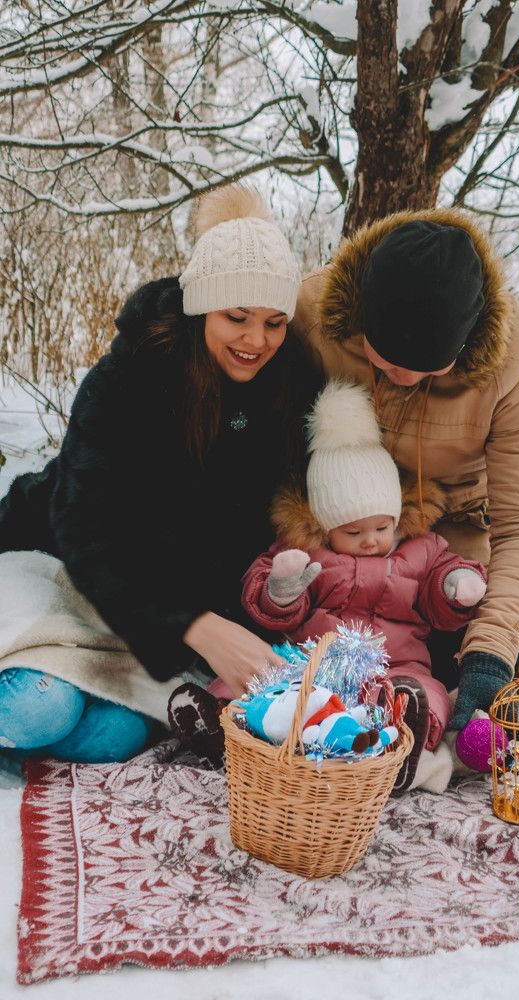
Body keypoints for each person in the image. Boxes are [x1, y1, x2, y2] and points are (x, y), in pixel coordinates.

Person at [0, 185, 321, 763]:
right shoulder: (129, 377)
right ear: (202, 307)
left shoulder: (286, 391)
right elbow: (86, 530)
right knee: (38, 710)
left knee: (120, 736)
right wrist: (193, 626)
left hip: (145, 611)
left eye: (275, 323)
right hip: (56, 562)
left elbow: (246, 536)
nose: (256, 340)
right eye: (237, 317)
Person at [289, 209, 519, 730]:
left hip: (449, 546)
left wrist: (490, 650)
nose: (407, 379)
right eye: (388, 363)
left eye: (430, 367)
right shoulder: (311, 311)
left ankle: (509, 632)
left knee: (456, 663)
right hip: (332, 528)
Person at [239, 380, 488, 794]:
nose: (371, 540)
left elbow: (441, 585)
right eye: (354, 531)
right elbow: (267, 594)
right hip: (315, 670)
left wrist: (454, 586)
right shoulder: (309, 552)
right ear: (324, 524)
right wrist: (282, 589)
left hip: (398, 666)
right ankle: (222, 724)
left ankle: (405, 736)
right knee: (261, 684)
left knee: (431, 693)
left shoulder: (421, 550)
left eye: (381, 526)